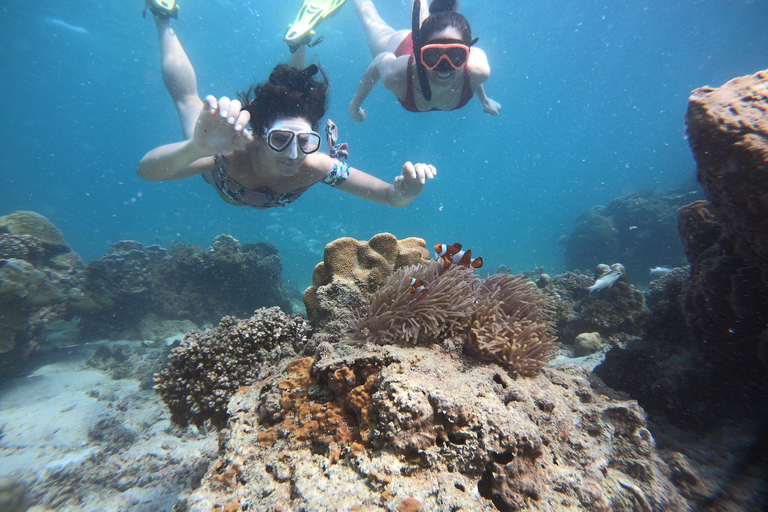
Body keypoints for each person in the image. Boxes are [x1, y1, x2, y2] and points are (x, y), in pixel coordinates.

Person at [137, 0, 436, 209]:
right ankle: (162, 16)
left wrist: (406, 193)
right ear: (257, 134)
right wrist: (196, 148)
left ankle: (299, 43)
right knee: (187, 99)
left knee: (295, 97)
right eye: (280, 140)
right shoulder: (226, 151)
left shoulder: (317, 164)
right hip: (214, 151)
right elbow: (147, 171)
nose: (295, 154)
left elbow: (390, 197)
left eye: (305, 140)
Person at [349, 0, 501, 122]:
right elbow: (378, 62)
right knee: (371, 22)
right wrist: (354, 107)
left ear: (466, 56)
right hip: (402, 45)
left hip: (428, 40)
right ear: (419, 52)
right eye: (433, 55)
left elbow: (471, 75)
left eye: (455, 56)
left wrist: (485, 100)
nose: (444, 67)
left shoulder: (478, 70)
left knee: (425, 24)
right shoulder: (397, 74)